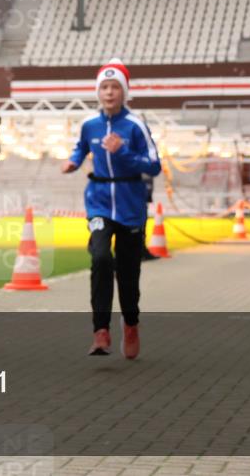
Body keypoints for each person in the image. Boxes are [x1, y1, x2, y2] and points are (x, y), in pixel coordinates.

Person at [61, 59, 161, 360]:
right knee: (101, 258)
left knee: (128, 274)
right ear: (97, 92)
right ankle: (100, 331)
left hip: (130, 205)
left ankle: (131, 324)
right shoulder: (89, 124)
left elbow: (154, 166)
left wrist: (124, 151)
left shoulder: (135, 126)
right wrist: (74, 161)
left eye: (115, 87)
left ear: (125, 92)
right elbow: (81, 147)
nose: (109, 92)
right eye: (104, 87)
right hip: (99, 201)